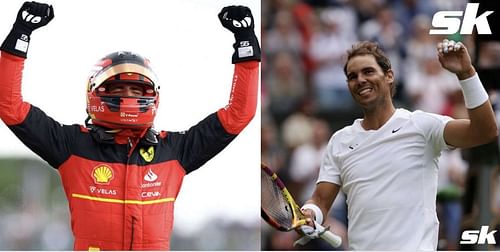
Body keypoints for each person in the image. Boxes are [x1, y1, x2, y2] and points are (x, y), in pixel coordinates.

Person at [0, 2, 260, 250]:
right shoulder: (71, 144)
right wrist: (20, 36)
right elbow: (9, 106)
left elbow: (238, 114)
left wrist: (246, 47)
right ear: (95, 93)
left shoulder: (175, 149)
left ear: (153, 95)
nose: (128, 97)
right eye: (118, 88)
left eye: (137, 90)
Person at [298, 40, 497, 250]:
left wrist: (466, 73)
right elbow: (320, 200)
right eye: (352, 76)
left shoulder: (422, 125)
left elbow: (485, 131)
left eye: (368, 72)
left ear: (389, 76)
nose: (360, 80)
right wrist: (310, 213)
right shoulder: (340, 141)